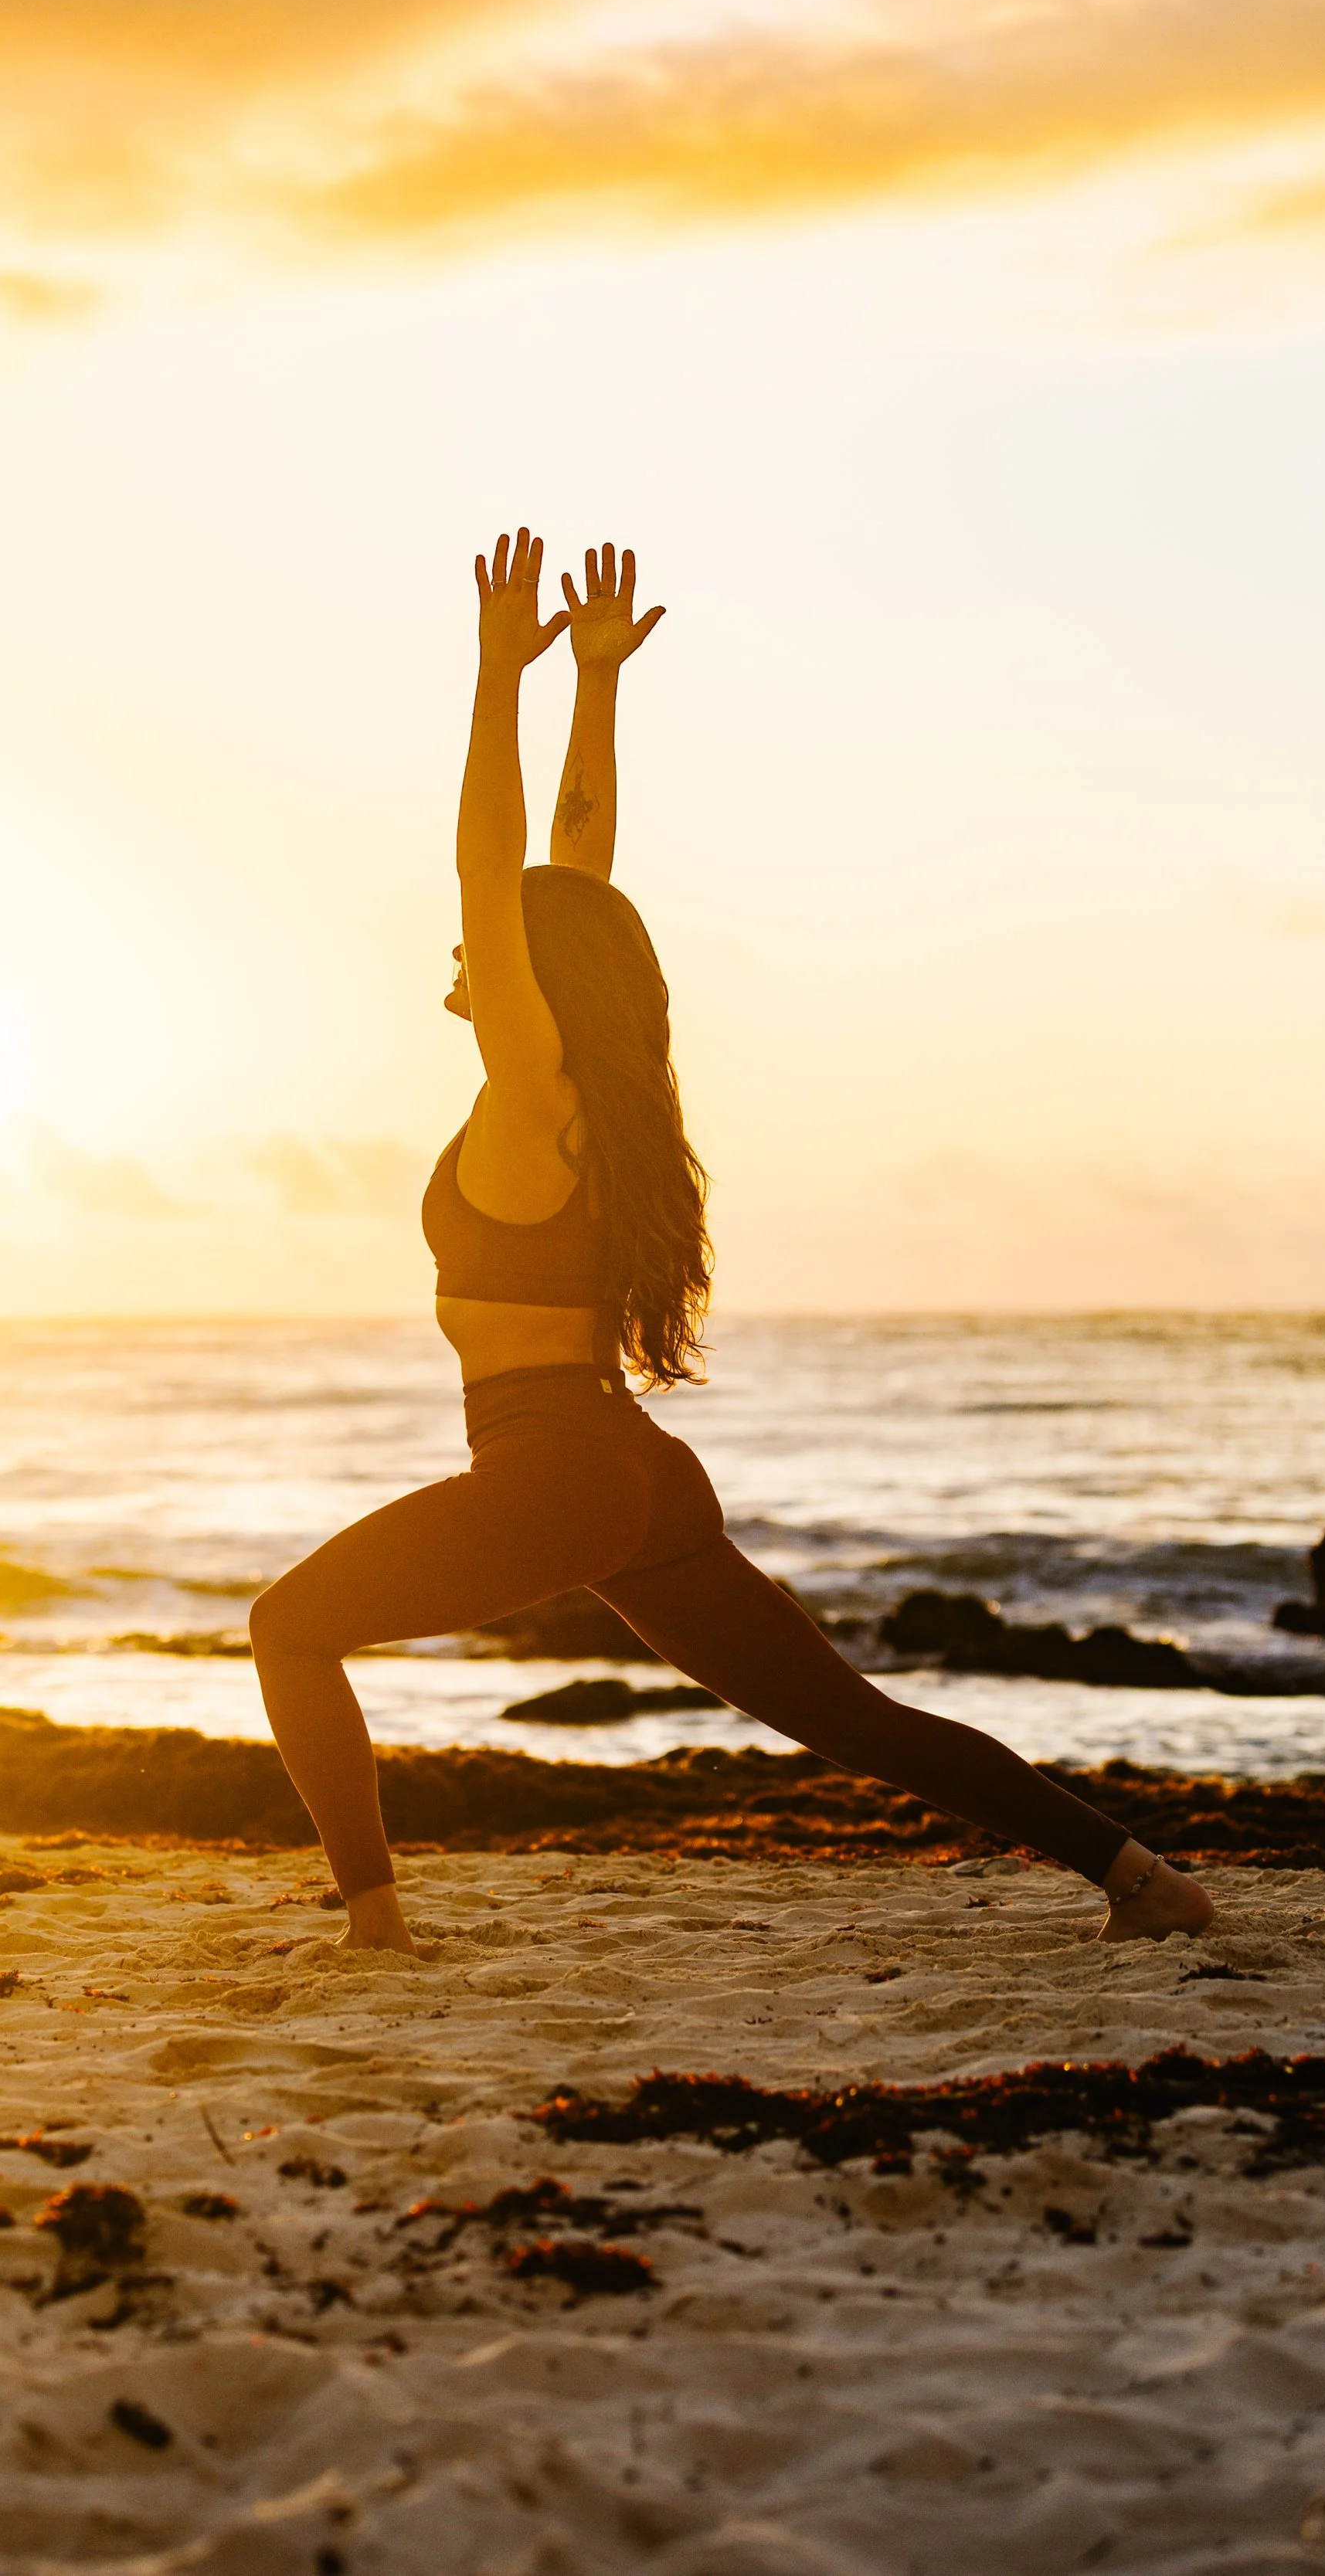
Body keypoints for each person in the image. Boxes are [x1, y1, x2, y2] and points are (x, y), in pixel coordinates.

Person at [250, 527, 1214, 1954]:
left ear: (528, 973)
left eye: (486, 949)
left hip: (556, 1469)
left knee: (289, 1629)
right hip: (631, 1468)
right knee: (857, 1722)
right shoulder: (582, 1100)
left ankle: (375, 1923)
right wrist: (592, 684)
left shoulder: (534, 1095)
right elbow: (574, 871)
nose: (461, 956)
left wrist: (492, 679)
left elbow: (494, 871)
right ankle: (1139, 1877)